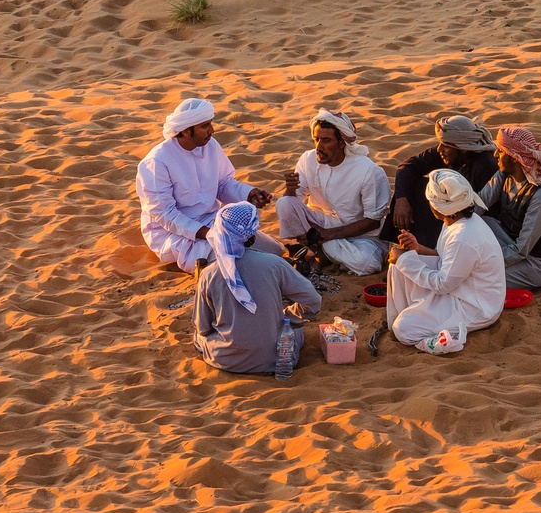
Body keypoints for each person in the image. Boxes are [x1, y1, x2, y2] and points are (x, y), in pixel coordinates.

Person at [136, 97, 283, 272]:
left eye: (210, 124)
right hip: (174, 233)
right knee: (236, 263)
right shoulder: (157, 162)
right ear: (185, 131)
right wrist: (207, 234)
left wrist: (248, 193)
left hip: (212, 221)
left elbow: (222, 184)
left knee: (275, 251)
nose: (212, 130)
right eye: (205, 126)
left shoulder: (210, 146)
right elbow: (165, 215)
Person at [194, 202, 322, 374]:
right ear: (253, 235)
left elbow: (202, 327)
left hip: (226, 359)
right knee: (295, 332)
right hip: (277, 358)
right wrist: (287, 318)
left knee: (197, 338)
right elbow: (313, 301)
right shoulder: (274, 264)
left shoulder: (209, 274)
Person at [386, 169, 506, 349]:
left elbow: (443, 285)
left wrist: (405, 260)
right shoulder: (456, 221)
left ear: (438, 206)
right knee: (397, 265)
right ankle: (418, 315)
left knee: (404, 329)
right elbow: (445, 258)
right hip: (458, 288)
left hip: (475, 306)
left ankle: (426, 333)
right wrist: (417, 249)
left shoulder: (463, 237)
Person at [275, 110, 391, 276]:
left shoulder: (369, 171)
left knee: (367, 264)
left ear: (342, 142)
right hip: (321, 223)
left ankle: (321, 252)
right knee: (284, 203)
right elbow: (295, 202)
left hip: (360, 236)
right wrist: (291, 189)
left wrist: (328, 235)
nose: (319, 147)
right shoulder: (308, 159)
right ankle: (321, 250)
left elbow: (372, 221)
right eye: (316, 139)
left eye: (327, 141)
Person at [377, 115, 499, 250]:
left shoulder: (486, 165)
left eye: (445, 146)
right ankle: (407, 243)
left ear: (463, 148)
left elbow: (485, 211)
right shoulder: (450, 152)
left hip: (467, 224)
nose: (440, 150)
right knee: (412, 185)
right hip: (447, 213)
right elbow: (408, 166)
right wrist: (402, 199)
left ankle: (429, 249)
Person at [479, 126, 541, 289]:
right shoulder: (505, 174)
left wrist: (483, 263)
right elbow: (479, 204)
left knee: (481, 278)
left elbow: (521, 249)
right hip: (513, 242)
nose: (495, 155)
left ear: (514, 157)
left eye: (500, 151)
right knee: (480, 222)